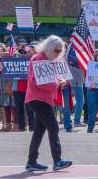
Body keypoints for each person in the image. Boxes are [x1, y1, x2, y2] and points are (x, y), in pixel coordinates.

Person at [25, 36, 73, 172]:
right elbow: (36, 81)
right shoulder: (37, 59)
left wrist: (61, 81)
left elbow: (52, 79)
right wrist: (57, 83)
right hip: (37, 98)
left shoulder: (53, 60)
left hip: (46, 99)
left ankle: (31, 161)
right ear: (49, 48)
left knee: (39, 131)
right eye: (56, 51)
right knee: (53, 126)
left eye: (60, 51)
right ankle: (57, 160)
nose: (58, 53)